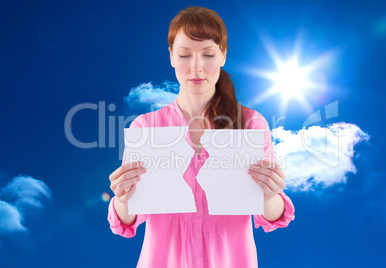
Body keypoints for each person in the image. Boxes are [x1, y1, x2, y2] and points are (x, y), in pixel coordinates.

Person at [108, 6, 295, 268]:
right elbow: (128, 220)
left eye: (208, 54)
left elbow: (271, 216)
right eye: (185, 55)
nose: (196, 67)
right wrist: (122, 198)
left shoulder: (251, 124)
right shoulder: (146, 128)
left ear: (223, 56)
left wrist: (270, 195)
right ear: (171, 57)